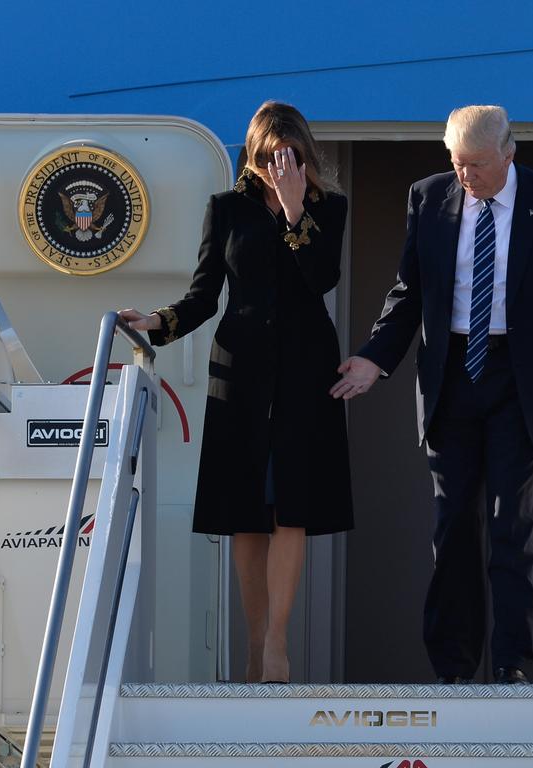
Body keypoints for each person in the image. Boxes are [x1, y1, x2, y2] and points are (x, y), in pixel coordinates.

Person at [330, 105, 533, 684]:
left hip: (523, 384)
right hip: (452, 378)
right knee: (452, 529)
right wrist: (376, 359)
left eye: (477, 164)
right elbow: (409, 293)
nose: (466, 176)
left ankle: (510, 667)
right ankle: (453, 669)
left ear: (509, 153)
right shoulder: (429, 197)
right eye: (457, 164)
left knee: (512, 530)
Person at [121, 101, 352, 684]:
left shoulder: (330, 208)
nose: (278, 166)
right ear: (250, 156)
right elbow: (204, 294)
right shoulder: (227, 209)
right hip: (241, 372)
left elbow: (322, 278)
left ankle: (276, 643)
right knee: (248, 513)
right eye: (268, 156)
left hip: (304, 373)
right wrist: (159, 322)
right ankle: (254, 643)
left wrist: (297, 211)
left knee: (291, 509)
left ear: (303, 154)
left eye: (289, 156)